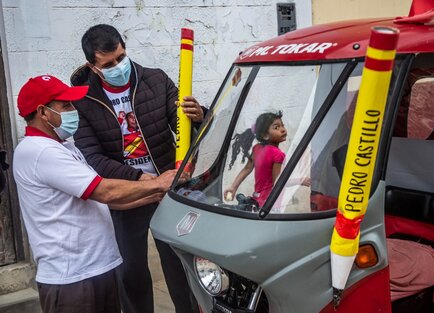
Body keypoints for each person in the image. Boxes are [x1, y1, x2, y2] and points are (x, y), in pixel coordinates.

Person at [12, 75, 183, 313]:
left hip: (95, 269)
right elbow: (104, 191)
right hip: (73, 278)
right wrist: (158, 183)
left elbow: (100, 201)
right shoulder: (39, 152)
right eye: (66, 105)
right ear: (43, 112)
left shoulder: (64, 147)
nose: (74, 110)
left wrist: (153, 196)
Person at [70, 24, 204, 313]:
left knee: (180, 265)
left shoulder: (155, 80)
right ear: (93, 67)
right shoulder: (82, 102)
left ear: (124, 47)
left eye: (120, 57)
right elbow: (92, 157)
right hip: (126, 193)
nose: (118, 66)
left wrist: (199, 116)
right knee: (130, 270)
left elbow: (182, 126)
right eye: (108, 64)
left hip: (169, 188)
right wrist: (139, 179)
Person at [224, 111, 287, 207]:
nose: (282, 129)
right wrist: (301, 180)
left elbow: (247, 169)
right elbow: (278, 182)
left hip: (257, 198)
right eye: (276, 127)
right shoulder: (278, 154)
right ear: (265, 135)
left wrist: (233, 187)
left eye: (282, 125)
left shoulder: (257, 148)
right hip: (270, 203)